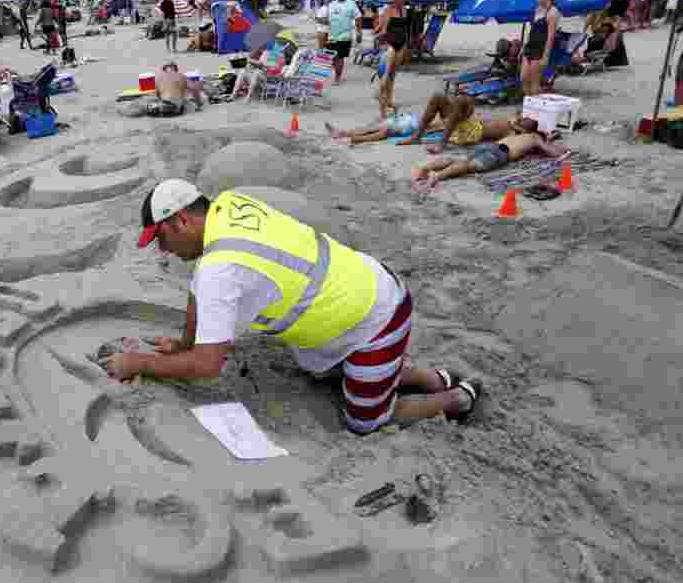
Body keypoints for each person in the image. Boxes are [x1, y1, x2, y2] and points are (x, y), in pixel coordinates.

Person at [101, 179, 485, 436]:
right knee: (323, 374)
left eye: (162, 238)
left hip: (377, 318)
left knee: (366, 422)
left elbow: (207, 365)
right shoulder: (229, 205)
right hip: (358, 290)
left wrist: (139, 364)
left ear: (182, 219)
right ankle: (428, 377)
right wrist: (185, 342)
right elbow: (199, 293)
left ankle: (454, 398)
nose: (162, 250)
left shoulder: (220, 268)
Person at [410, 130, 568, 193]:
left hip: (492, 145)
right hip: (500, 153)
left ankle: (426, 167)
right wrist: (562, 150)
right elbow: (552, 152)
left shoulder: (515, 134)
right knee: (469, 166)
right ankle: (435, 177)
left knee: (460, 159)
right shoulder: (534, 137)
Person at [396, 92, 540, 153]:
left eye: (528, 122)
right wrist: (518, 118)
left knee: (461, 101)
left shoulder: (513, 132)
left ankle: (442, 145)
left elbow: (510, 143)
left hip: (471, 134)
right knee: (437, 97)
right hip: (468, 125)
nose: (526, 119)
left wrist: (519, 128)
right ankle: (417, 137)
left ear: (525, 130)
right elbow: (517, 111)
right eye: (527, 118)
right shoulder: (513, 120)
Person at [521, 0, 561, 98]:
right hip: (530, 46)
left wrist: (545, 56)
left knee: (534, 80)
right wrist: (524, 45)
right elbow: (532, 30)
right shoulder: (538, 9)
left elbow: (551, 36)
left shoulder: (553, 12)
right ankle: (529, 101)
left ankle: (534, 106)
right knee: (524, 77)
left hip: (540, 49)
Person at [324, 110, 425, 146]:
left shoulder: (438, 120)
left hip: (411, 126)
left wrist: (416, 135)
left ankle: (357, 139)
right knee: (374, 127)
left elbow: (427, 128)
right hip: (407, 119)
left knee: (386, 130)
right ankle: (341, 133)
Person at [326, 0, 361, 84]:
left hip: (345, 36)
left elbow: (358, 18)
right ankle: (337, 72)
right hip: (331, 35)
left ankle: (337, 77)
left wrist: (359, 33)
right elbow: (328, 19)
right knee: (332, 57)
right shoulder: (332, 4)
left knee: (340, 57)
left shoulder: (351, 4)